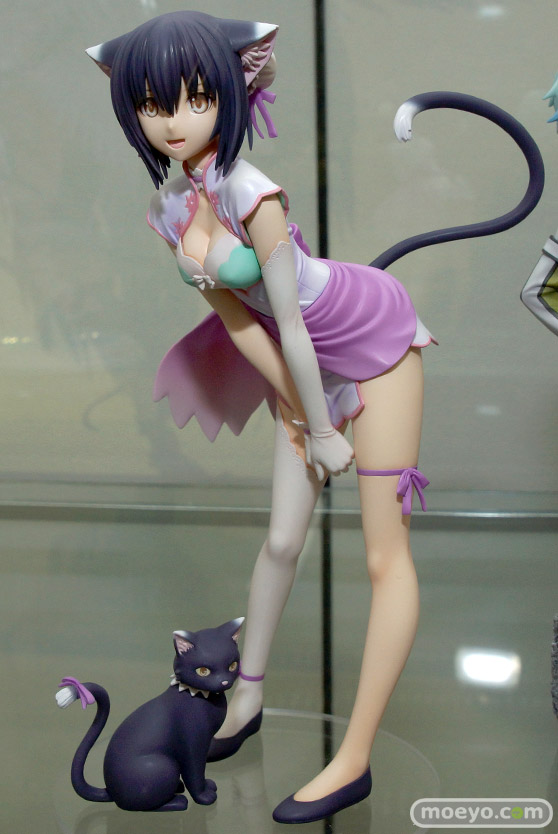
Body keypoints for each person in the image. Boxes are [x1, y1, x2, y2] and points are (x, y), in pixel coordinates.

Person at [87, 11, 543, 822]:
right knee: (281, 539)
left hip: (373, 338)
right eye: (153, 103)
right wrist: (303, 411)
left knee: (382, 555)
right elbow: (240, 323)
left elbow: (293, 323)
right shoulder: (169, 207)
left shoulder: (253, 193)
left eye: (195, 98)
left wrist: (328, 427)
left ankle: (355, 759)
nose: (174, 120)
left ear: (228, 94)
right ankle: (246, 700)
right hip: (297, 365)